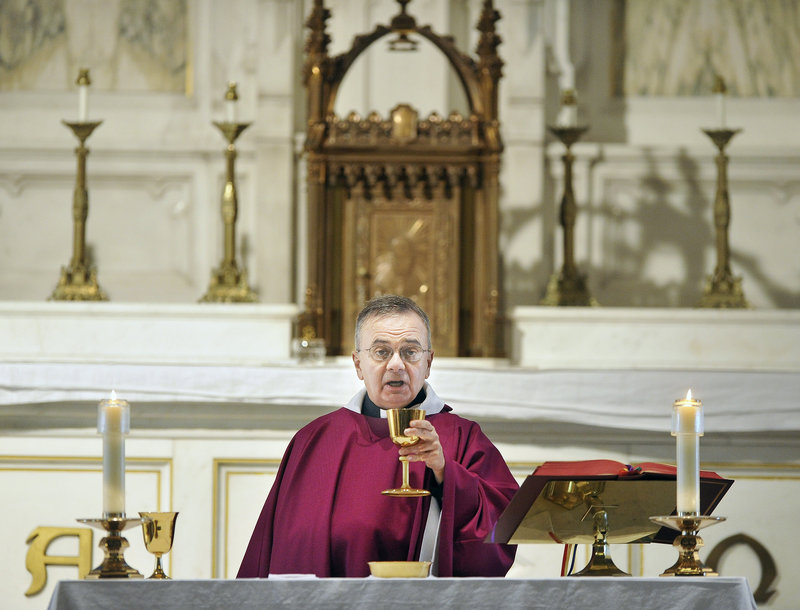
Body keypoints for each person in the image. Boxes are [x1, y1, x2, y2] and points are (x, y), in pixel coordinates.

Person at [237, 295, 518, 578]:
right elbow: (269, 551)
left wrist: (446, 473)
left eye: (410, 352)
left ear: (429, 362)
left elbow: (501, 533)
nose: (396, 364)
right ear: (358, 364)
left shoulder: (462, 437)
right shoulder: (313, 440)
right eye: (381, 352)